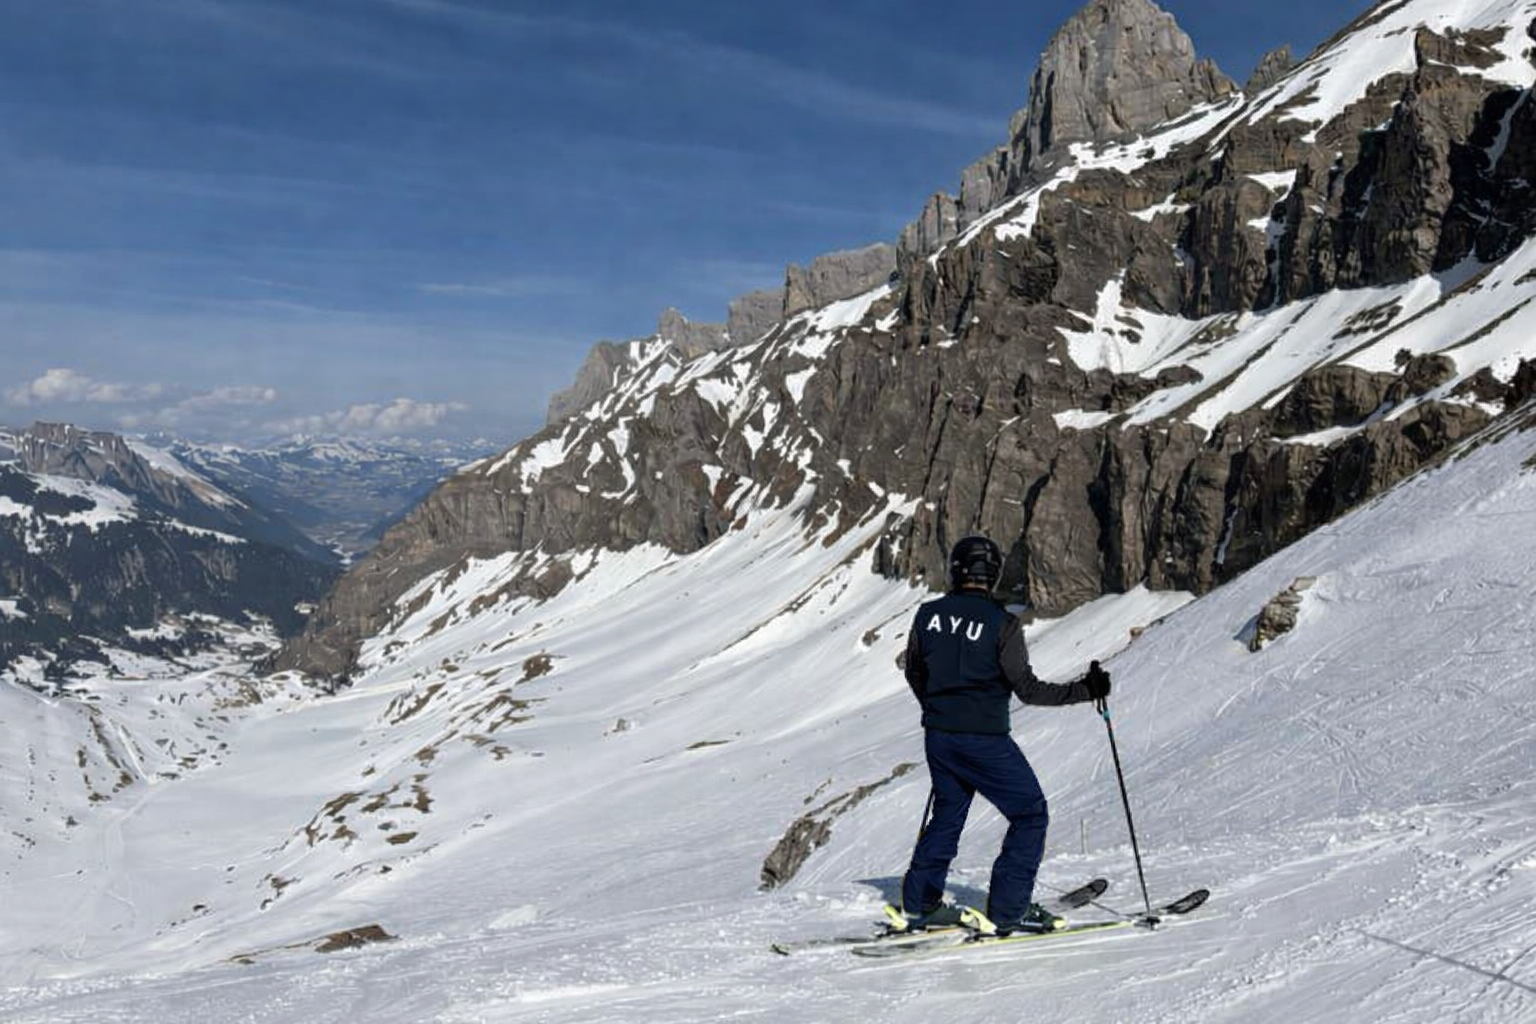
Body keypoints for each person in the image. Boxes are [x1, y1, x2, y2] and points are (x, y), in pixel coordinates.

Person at [894, 535, 1112, 936]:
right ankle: (1009, 911)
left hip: (939, 737)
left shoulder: (927, 615)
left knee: (947, 814)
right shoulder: (1002, 624)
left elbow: (914, 671)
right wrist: (1087, 690)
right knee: (1029, 814)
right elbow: (1028, 690)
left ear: (956, 569)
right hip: (985, 740)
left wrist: (938, 707)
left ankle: (919, 904)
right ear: (991, 575)